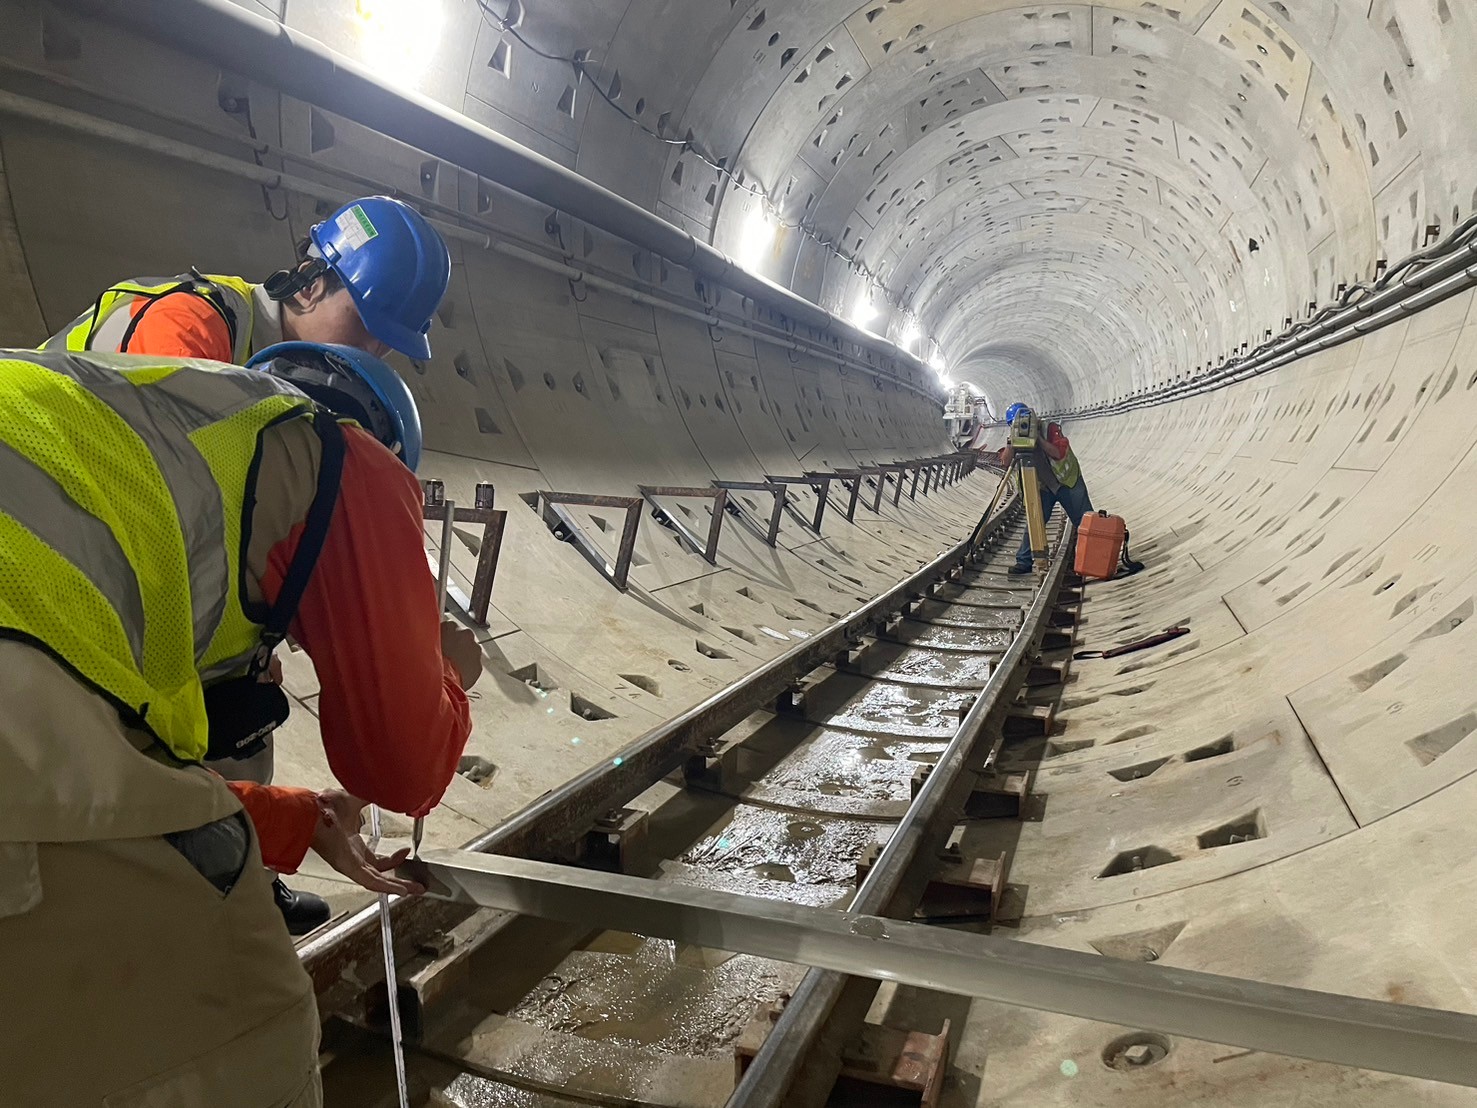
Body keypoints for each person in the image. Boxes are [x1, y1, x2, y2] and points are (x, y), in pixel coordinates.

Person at [0, 341, 478, 1106]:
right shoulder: (347, 458)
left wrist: (299, 819)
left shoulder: (139, 440)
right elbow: (401, 769)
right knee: (256, 1027)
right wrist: (453, 667)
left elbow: (109, 783)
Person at [42, 194, 454, 933]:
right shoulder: (185, 329)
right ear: (309, 284)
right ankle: (195, 887)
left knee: (247, 691)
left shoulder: (267, 373)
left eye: (389, 344)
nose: (375, 354)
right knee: (208, 708)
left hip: (91, 564)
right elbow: (160, 509)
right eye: (368, 327)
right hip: (75, 576)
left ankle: (240, 871)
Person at [996, 403, 1094, 575]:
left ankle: (1089, 560)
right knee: (1035, 520)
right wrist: (1012, 441)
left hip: (1066, 482)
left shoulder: (1050, 428)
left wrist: (1038, 439)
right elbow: (1005, 462)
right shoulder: (1014, 436)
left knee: (1084, 521)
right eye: (1014, 425)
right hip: (1043, 487)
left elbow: (1058, 453)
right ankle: (1024, 561)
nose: (1020, 427)